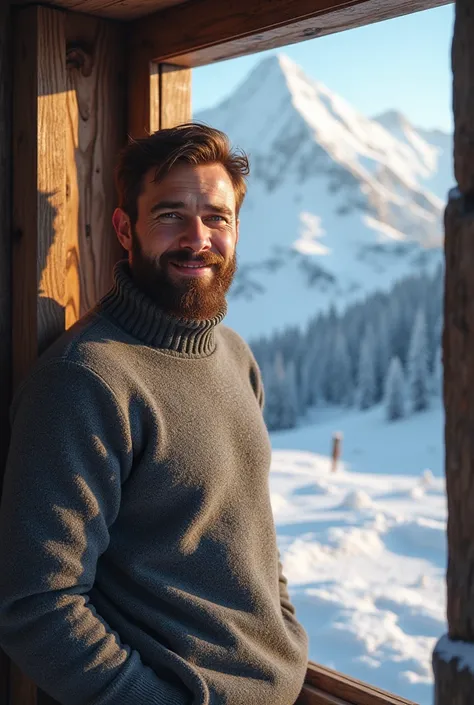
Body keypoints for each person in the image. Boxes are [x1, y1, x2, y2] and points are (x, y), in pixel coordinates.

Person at [0, 123, 308, 705]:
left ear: (236, 229)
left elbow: (248, 533)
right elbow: (35, 603)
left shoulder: (234, 355)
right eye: (170, 215)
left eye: (216, 217)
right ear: (125, 229)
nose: (198, 238)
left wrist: (284, 634)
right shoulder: (87, 380)